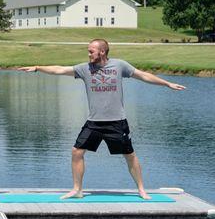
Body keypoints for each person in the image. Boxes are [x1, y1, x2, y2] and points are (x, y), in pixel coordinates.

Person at [19, 39, 186, 200]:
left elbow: (143, 76)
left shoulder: (120, 65)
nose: (89, 54)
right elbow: (60, 70)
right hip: (94, 122)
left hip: (117, 122)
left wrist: (167, 84)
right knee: (77, 152)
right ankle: (77, 190)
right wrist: (37, 68)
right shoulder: (84, 69)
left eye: (91, 51)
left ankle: (141, 189)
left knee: (129, 155)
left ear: (102, 51)